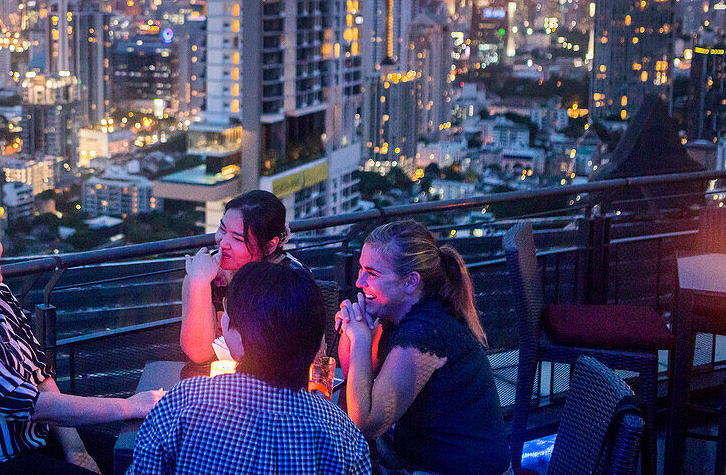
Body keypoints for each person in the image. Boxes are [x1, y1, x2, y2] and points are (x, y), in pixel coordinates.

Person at [0, 189, 163, 475]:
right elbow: (26, 403)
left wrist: (76, 450)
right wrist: (128, 406)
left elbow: (39, 372)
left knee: (144, 454)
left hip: (34, 441)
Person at [130, 261, 371, 475]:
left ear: (238, 337)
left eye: (227, 314)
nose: (222, 320)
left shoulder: (184, 402)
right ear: (315, 344)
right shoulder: (340, 432)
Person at [335, 220, 510, 475]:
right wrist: (353, 331)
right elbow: (359, 383)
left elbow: (365, 424)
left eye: (372, 273)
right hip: (420, 456)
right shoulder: (396, 315)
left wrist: (361, 338)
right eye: (361, 269)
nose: (359, 281)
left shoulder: (426, 332)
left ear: (410, 282)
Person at [180, 190, 306, 362]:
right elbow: (198, 354)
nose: (223, 243)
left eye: (238, 239)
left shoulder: (290, 281)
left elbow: (296, 359)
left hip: (270, 383)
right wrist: (199, 284)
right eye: (222, 229)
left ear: (270, 246)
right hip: (215, 382)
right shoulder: (205, 271)